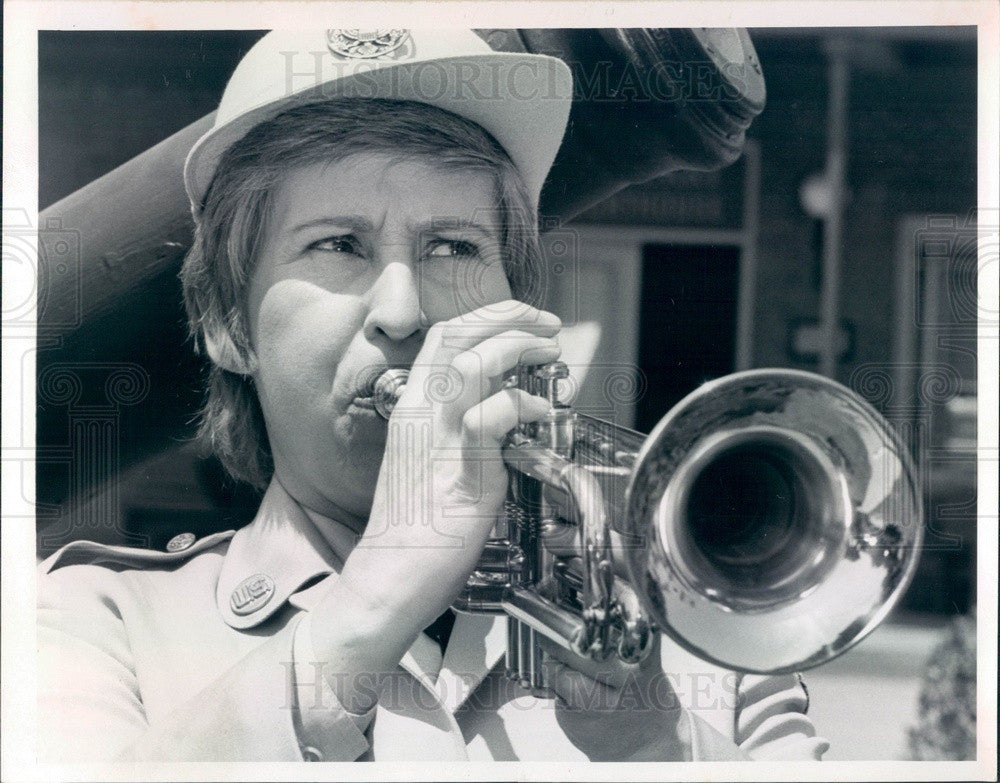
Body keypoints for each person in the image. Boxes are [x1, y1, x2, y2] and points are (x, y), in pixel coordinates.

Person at [37, 28, 829, 762]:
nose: (405, 310)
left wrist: (653, 741)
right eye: (338, 245)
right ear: (227, 325)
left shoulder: (700, 630)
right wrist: (372, 604)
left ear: (515, 304)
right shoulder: (90, 620)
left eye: (453, 246)